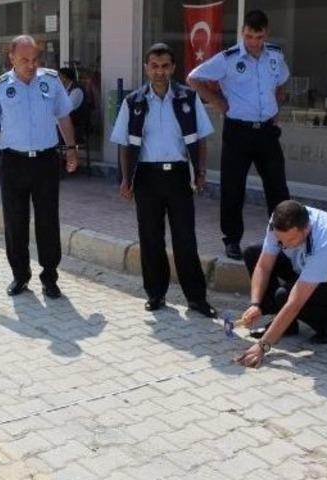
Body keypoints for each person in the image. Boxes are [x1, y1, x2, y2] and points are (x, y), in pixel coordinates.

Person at [110, 43, 217, 318]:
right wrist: (125, 179)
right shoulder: (133, 102)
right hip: (147, 177)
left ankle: (196, 298)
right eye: (154, 66)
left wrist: (201, 172)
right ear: (146, 68)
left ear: (173, 68)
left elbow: (200, 139)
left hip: (180, 176)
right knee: (150, 238)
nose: (159, 72)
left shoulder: (188, 99)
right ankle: (156, 294)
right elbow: (124, 145)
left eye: (165, 66)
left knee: (185, 239)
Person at [0, 35, 80, 299]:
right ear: (11, 57)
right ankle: (20, 276)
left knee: (48, 221)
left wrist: (71, 149)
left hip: (45, 161)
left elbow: (64, 117)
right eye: (24, 60)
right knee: (15, 222)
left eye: (35, 59)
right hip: (13, 163)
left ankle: (50, 278)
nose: (31, 65)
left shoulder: (51, 81)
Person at [187, 9, 291, 261]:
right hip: (238, 133)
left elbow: (283, 80)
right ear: (243, 33)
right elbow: (193, 78)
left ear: (266, 33)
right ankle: (232, 240)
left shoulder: (275, 55)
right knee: (233, 188)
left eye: (258, 36)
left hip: (267, 132)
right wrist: (218, 102)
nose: (253, 41)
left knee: (278, 188)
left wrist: (277, 106)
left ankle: (284, 239)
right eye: (249, 36)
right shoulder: (229, 58)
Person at [235, 200, 327, 368]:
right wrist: (255, 303)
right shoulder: (279, 220)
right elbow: (264, 266)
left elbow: (295, 302)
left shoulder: (326, 240)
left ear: (306, 229)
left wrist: (263, 347)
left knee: (285, 296)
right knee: (253, 252)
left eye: (291, 240)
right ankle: (285, 325)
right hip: (303, 265)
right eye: (281, 241)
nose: (285, 245)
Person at [57, 67, 91, 144]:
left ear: (64, 78)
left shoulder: (77, 90)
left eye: (58, 77)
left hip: (76, 129)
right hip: (66, 127)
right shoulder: (64, 90)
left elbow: (65, 110)